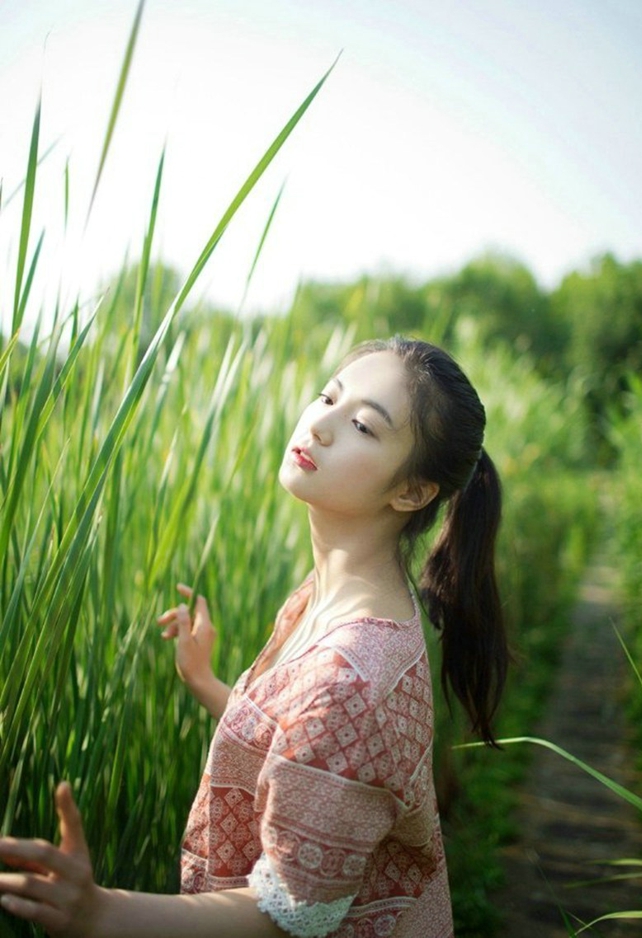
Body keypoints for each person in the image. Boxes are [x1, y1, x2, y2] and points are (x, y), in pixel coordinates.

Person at [0, 336, 508, 937]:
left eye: (364, 427)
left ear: (412, 492)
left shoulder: (353, 675)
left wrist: (100, 912)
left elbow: (286, 916)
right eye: (328, 396)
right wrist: (211, 685)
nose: (319, 425)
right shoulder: (332, 595)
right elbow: (303, 750)